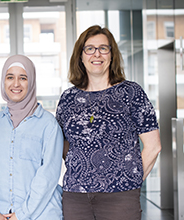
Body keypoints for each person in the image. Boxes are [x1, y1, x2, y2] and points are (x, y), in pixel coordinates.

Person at [56, 25, 162, 220]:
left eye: (103, 48)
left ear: (112, 55)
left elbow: (153, 146)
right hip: (75, 197)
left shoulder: (131, 93)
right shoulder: (68, 99)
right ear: (81, 55)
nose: (97, 54)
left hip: (120, 197)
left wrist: (131, 181)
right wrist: (82, 167)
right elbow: (63, 144)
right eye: (90, 48)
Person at [0, 54, 64, 220]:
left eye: (23, 78)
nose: (16, 84)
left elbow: (48, 175)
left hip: (40, 215)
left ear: (31, 82)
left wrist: (22, 215)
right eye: (10, 77)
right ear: (3, 81)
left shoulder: (49, 125)